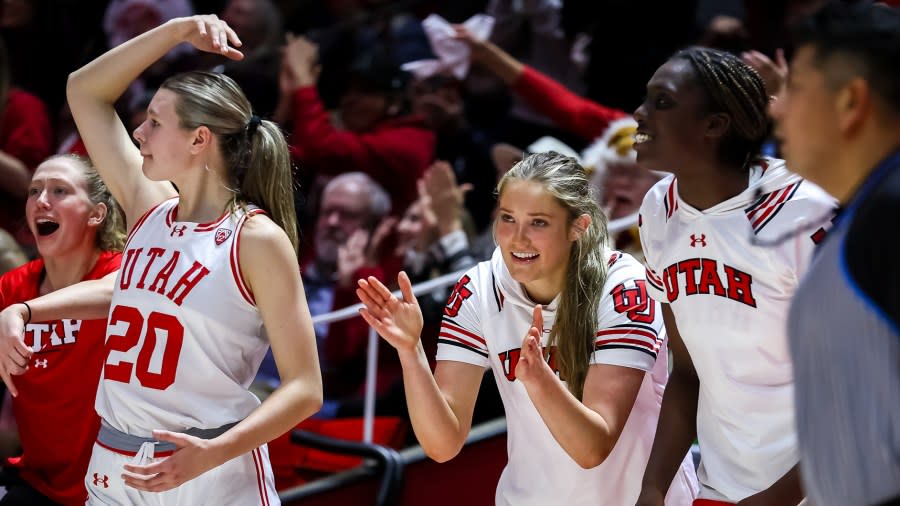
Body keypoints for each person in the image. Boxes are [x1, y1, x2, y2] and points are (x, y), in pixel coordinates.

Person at [2, 14, 322, 504]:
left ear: (199, 140)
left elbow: (305, 388)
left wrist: (216, 451)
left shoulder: (255, 239)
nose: (138, 133)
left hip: (205, 466)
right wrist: (177, 31)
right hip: (114, 461)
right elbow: (83, 89)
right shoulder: (151, 210)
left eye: (154, 122)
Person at [357, 151, 697, 505]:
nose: (517, 239)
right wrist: (411, 352)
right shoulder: (477, 290)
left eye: (538, 223)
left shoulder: (624, 288)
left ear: (577, 227)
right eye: (508, 218)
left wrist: (538, 378)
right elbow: (442, 445)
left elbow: (593, 447)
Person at [633, 47, 836, 505]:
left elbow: (864, 384)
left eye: (662, 102)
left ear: (714, 125)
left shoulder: (805, 213)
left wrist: (776, 498)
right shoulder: (657, 211)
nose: (639, 114)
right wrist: (652, 489)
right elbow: (687, 370)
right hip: (728, 486)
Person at [770, 3, 900, 505]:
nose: (776, 107)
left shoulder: (892, 215)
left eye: (795, 87)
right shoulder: (866, 214)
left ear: (851, 100)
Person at [0, 155, 124, 505]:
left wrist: (23, 312)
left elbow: (120, 290)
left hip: (118, 488)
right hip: (40, 485)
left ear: (97, 214)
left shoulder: (121, 271)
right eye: (34, 190)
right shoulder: (12, 287)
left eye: (60, 191)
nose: (41, 200)